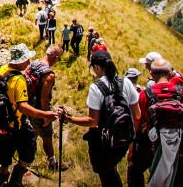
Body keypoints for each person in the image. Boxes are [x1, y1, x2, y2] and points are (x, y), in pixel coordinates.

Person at [59, 50, 141, 187]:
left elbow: (93, 121)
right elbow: (137, 115)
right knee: (111, 170)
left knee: (107, 174)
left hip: (105, 141)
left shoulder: (96, 88)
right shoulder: (126, 82)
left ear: (96, 67)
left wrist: (68, 118)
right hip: (124, 138)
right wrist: (130, 139)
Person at [0, 44, 61, 187]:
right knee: (29, 150)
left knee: (5, 152)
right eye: (26, 60)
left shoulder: (2, 70)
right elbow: (23, 107)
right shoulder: (19, 80)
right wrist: (45, 114)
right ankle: (16, 179)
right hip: (16, 122)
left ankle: (2, 178)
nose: (29, 63)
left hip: (0, 121)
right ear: (20, 60)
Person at [133, 58, 183, 187]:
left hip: (154, 145)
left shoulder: (145, 95)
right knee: (180, 179)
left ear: (151, 74)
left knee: (149, 174)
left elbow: (138, 124)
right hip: (180, 147)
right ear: (170, 73)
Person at [29, 45, 63, 172]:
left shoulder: (34, 64)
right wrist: (46, 116)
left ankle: (25, 158)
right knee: (47, 136)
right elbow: (44, 98)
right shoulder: (49, 75)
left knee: (33, 134)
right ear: (56, 58)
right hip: (40, 110)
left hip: (28, 108)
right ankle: (52, 164)